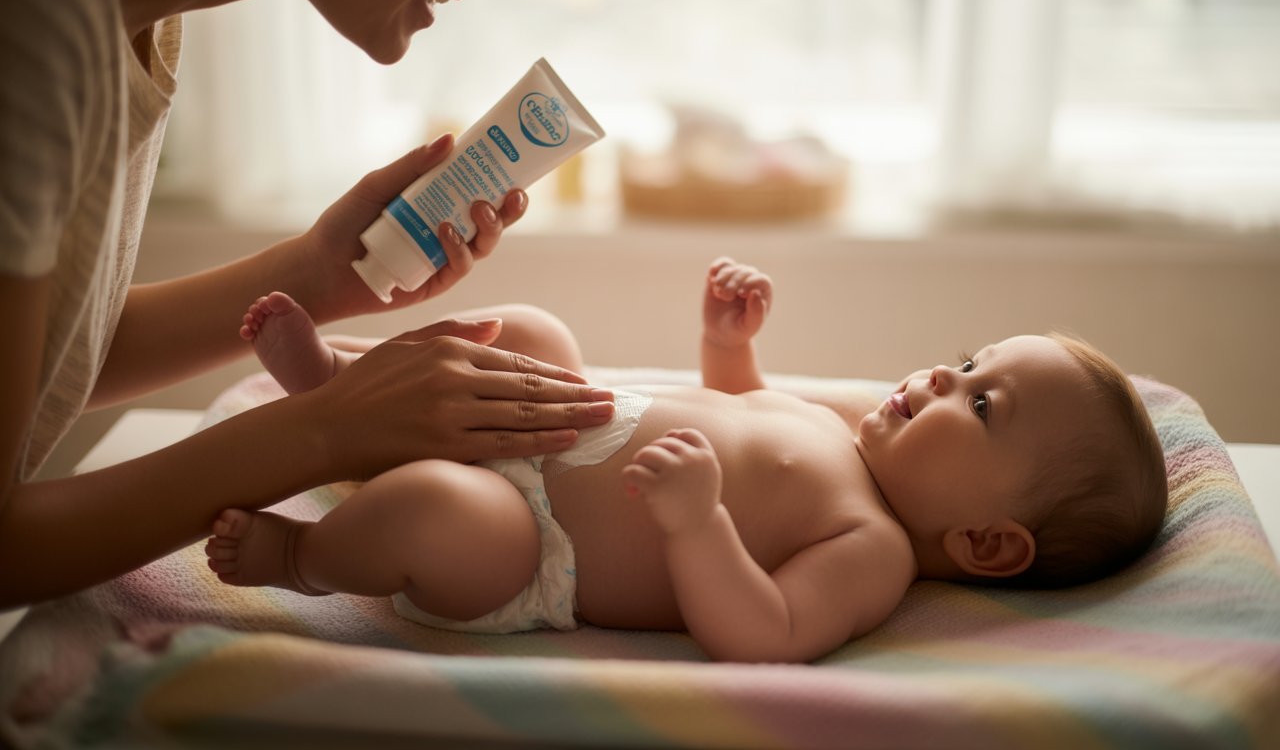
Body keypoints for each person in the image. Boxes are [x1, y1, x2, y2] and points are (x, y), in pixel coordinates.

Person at [0, 0, 619, 609]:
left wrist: (318, 275)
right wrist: (325, 432)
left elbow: (55, 354)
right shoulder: (33, 26)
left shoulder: (134, 21)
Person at [206, 257, 1169, 663]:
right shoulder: (847, 433)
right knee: (532, 333)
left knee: (431, 508)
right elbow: (743, 407)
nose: (943, 376)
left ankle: (302, 557)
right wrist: (727, 346)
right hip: (544, 424)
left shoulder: (870, 547)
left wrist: (699, 523)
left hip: (535, 543)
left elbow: (765, 634)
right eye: (968, 361)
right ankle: (341, 383)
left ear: (988, 543)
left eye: (982, 404)